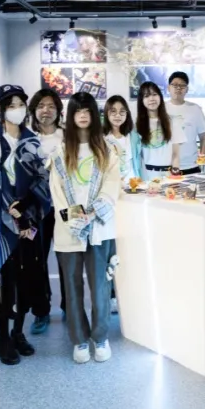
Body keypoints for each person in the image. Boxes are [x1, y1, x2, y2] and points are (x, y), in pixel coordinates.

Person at [0, 85, 52, 365]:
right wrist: (11, 207)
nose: (17, 109)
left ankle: (19, 332)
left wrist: (28, 207)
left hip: (28, 219)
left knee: (28, 276)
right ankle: (2, 338)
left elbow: (41, 176)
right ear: (0, 110)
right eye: (11, 105)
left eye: (20, 104)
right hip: (3, 224)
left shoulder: (31, 138)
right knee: (5, 280)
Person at [47, 92, 121, 364]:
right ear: (70, 115)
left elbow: (113, 185)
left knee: (101, 287)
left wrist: (93, 213)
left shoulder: (107, 149)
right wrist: (77, 219)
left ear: (94, 114)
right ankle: (79, 339)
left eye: (87, 110)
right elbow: (57, 193)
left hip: (100, 228)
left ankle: (100, 337)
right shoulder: (60, 152)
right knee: (72, 286)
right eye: (77, 110)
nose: (82, 115)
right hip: (69, 230)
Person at [29, 88, 65, 328]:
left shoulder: (67, 136)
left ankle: (69, 306)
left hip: (64, 207)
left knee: (67, 258)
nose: (46, 110)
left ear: (58, 111)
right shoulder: (28, 138)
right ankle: (41, 310)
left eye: (51, 106)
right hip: (36, 210)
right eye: (41, 106)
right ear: (33, 110)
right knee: (37, 260)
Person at [103, 95, 139, 314]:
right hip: (110, 198)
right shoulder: (101, 138)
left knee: (128, 246)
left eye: (122, 111)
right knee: (111, 247)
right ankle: (111, 294)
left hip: (131, 197)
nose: (118, 115)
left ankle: (129, 292)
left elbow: (137, 164)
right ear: (106, 114)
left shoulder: (132, 137)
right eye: (113, 111)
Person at [135, 81, 185, 180]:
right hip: (146, 176)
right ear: (141, 100)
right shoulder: (137, 125)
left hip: (167, 175)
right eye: (146, 96)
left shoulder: (172, 121)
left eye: (154, 94)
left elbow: (175, 154)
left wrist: (175, 174)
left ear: (160, 97)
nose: (151, 99)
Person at [165, 71, 205, 175]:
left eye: (182, 85)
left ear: (187, 89)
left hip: (191, 166)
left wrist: (202, 160)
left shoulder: (195, 109)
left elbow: (204, 136)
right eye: (175, 85)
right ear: (168, 88)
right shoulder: (161, 109)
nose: (178, 88)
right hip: (167, 166)